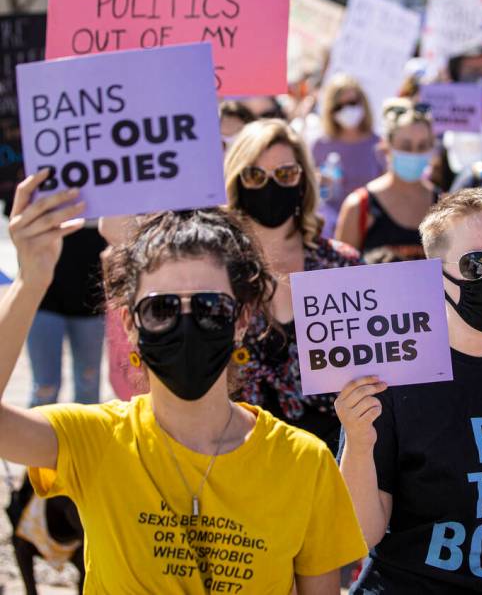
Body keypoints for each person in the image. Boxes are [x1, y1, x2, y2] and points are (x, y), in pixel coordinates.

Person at [1, 173, 366, 593]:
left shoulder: (305, 463)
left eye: (210, 307)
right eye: (161, 308)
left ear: (242, 319)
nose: (186, 323)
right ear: (130, 323)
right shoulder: (94, 439)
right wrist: (31, 282)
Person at [337, 188, 482, 593]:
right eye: (478, 263)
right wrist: (358, 445)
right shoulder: (390, 378)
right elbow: (362, 534)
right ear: (436, 275)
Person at [224, 118, 361, 448]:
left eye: (285, 174)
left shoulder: (340, 264)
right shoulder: (215, 270)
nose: (271, 186)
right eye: (255, 175)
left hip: (333, 458)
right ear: (237, 184)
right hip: (242, 456)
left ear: (303, 182)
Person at [335, 98, 440, 262]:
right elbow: (340, 275)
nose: (414, 153)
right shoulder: (359, 206)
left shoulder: (444, 206)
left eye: (422, 146)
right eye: (406, 146)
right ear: (387, 146)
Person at [27, 222, 106, 407]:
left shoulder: (107, 198)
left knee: (88, 384)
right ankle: (38, 436)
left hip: (91, 301)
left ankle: (87, 436)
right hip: (44, 299)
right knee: (45, 387)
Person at [312, 74, 383, 237]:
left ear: (362, 102)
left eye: (352, 103)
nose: (347, 110)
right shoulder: (319, 146)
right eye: (339, 106)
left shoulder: (378, 144)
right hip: (331, 230)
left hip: (370, 227)